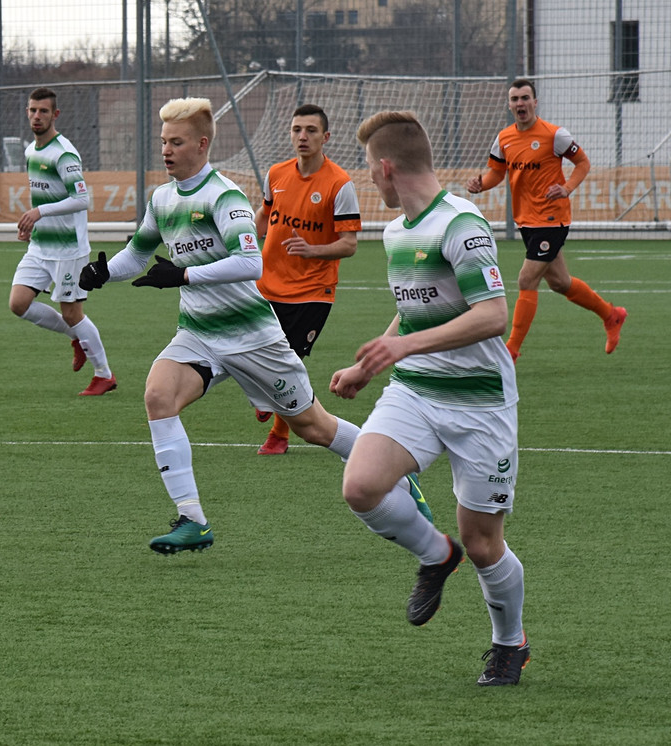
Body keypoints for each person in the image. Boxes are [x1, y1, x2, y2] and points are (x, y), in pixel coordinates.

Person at [79, 97, 424, 555]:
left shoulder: (224, 196)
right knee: (158, 396)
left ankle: (398, 472)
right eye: (163, 141)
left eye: (176, 142)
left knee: (313, 427)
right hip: (199, 332)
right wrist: (104, 273)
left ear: (202, 145)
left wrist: (182, 275)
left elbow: (250, 261)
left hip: (252, 336)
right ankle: (193, 520)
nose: (166, 150)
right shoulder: (162, 199)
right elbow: (139, 254)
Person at [331, 110, 528, 686]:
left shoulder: (461, 225)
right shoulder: (395, 232)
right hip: (415, 391)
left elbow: (493, 316)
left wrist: (402, 345)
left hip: (480, 404)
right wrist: (376, 358)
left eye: (371, 169)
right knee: (362, 486)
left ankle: (508, 643)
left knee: (485, 542)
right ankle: (435, 554)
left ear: (388, 167)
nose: (371, 180)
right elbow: (417, 307)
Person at [466, 78, 626, 361]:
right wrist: (482, 183)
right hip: (526, 220)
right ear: (510, 105)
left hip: (552, 219)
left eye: (525, 98)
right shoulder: (504, 138)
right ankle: (611, 315)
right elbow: (496, 173)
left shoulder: (555, 135)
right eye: (515, 99)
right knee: (560, 283)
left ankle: (511, 350)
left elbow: (583, 163)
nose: (520, 104)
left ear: (535, 102)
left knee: (526, 279)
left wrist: (566, 189)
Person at [253, 103, 360, 455]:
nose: (303, 136)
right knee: (247, 350)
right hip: (267, 285)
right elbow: (263, 218)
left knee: (291, 360)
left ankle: (278, 435)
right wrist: (242, 248)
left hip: (313, 291)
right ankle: (265, 393)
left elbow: (349, 245)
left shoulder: (339, 184)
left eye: (311, 130)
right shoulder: (276, 174)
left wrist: (312, 251)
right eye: (297, 129)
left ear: (325, 137)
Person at [9, 87, 115, 396]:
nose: (36, 116)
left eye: (43, 111)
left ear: (55, 115)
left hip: (69, 248)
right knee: (18, 304)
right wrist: (32, 225)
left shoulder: (64, 153)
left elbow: (81, 199)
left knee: (72, 313)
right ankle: (77, 338)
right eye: (32, 110)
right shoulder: (31, 151)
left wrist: (38, 212)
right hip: (41, 246)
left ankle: (104, 375)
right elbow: (43, 193)